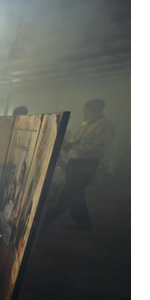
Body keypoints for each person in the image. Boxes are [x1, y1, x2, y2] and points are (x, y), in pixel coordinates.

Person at [42, 98, 115, 230]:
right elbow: (77, 143)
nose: (84, 113)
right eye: (84, 111)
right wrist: (68, 146)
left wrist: (73, 146)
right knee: (77, 194)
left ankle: (44, 222)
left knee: (68, 193)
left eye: (87, 111)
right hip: (75, 163)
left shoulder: (105, 126)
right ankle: (84, 224)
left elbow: (100, 147)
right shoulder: (86, 125)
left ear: (95, 111)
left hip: (87, 164)